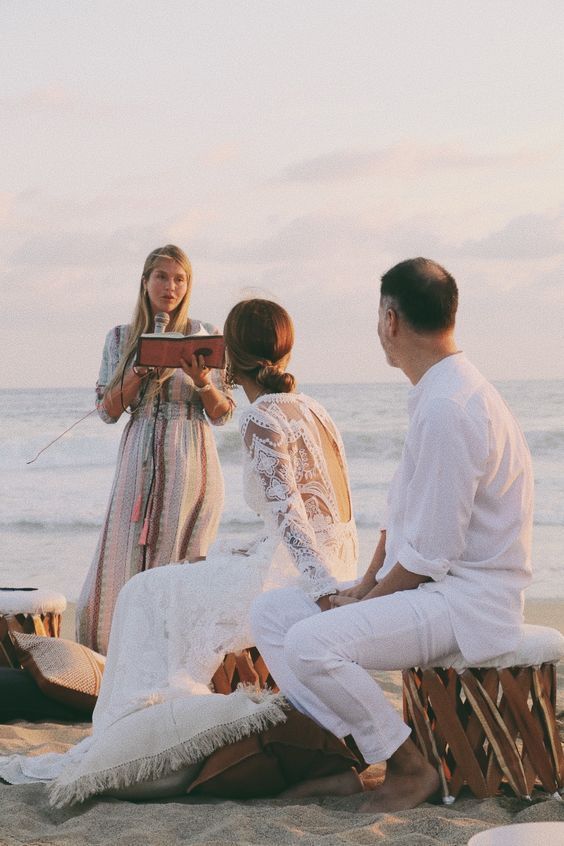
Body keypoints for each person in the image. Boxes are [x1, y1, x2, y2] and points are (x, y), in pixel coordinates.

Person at [0, 299, 358, 800]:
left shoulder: (262, 417)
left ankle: (132, 732)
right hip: (323, 564)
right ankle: (160, 708)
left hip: (298, 578)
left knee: (144, 593)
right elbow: (332, 516)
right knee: (168, 584)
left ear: (227, 355)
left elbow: (296, 524)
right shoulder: (313, 408)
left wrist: (325, 593)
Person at [251, 258, 534, 812]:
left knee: (314, 640)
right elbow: (404, 520)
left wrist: (356, 609)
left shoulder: (451, 406)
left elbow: (430, 556)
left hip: (468, 602)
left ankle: (407, 769)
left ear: (389, 320)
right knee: (275, 615)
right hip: (433, 588)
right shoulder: (438, 391)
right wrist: (361, 588)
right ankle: (345, 761)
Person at [76, 245, 234, 654]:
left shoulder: (204, 334)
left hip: (191, 456)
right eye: (162, 277)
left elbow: (222, 414)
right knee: (122, 555)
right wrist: (138, 369)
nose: (170, 286)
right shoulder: (119, 338)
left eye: (179, 278)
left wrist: (202, 381)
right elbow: (108, 412)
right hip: (139, 453)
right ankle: (112, 657)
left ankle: (176, 658)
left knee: (183, 562)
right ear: (145, 282)